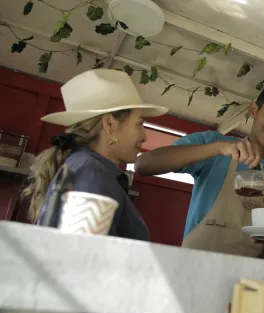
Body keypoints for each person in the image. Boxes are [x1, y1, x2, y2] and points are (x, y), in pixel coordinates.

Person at [135, 84, 264, 257]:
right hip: (198, 267)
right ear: (253, 110)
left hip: (254, 278)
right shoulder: (213, 144)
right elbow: (144, 165)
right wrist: (216, 149)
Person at [23, 69, 168, 241]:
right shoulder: (91, 173)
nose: (144, 136)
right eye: (139, 124)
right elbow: (86, 258)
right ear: (109, 124)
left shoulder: (84, 167)